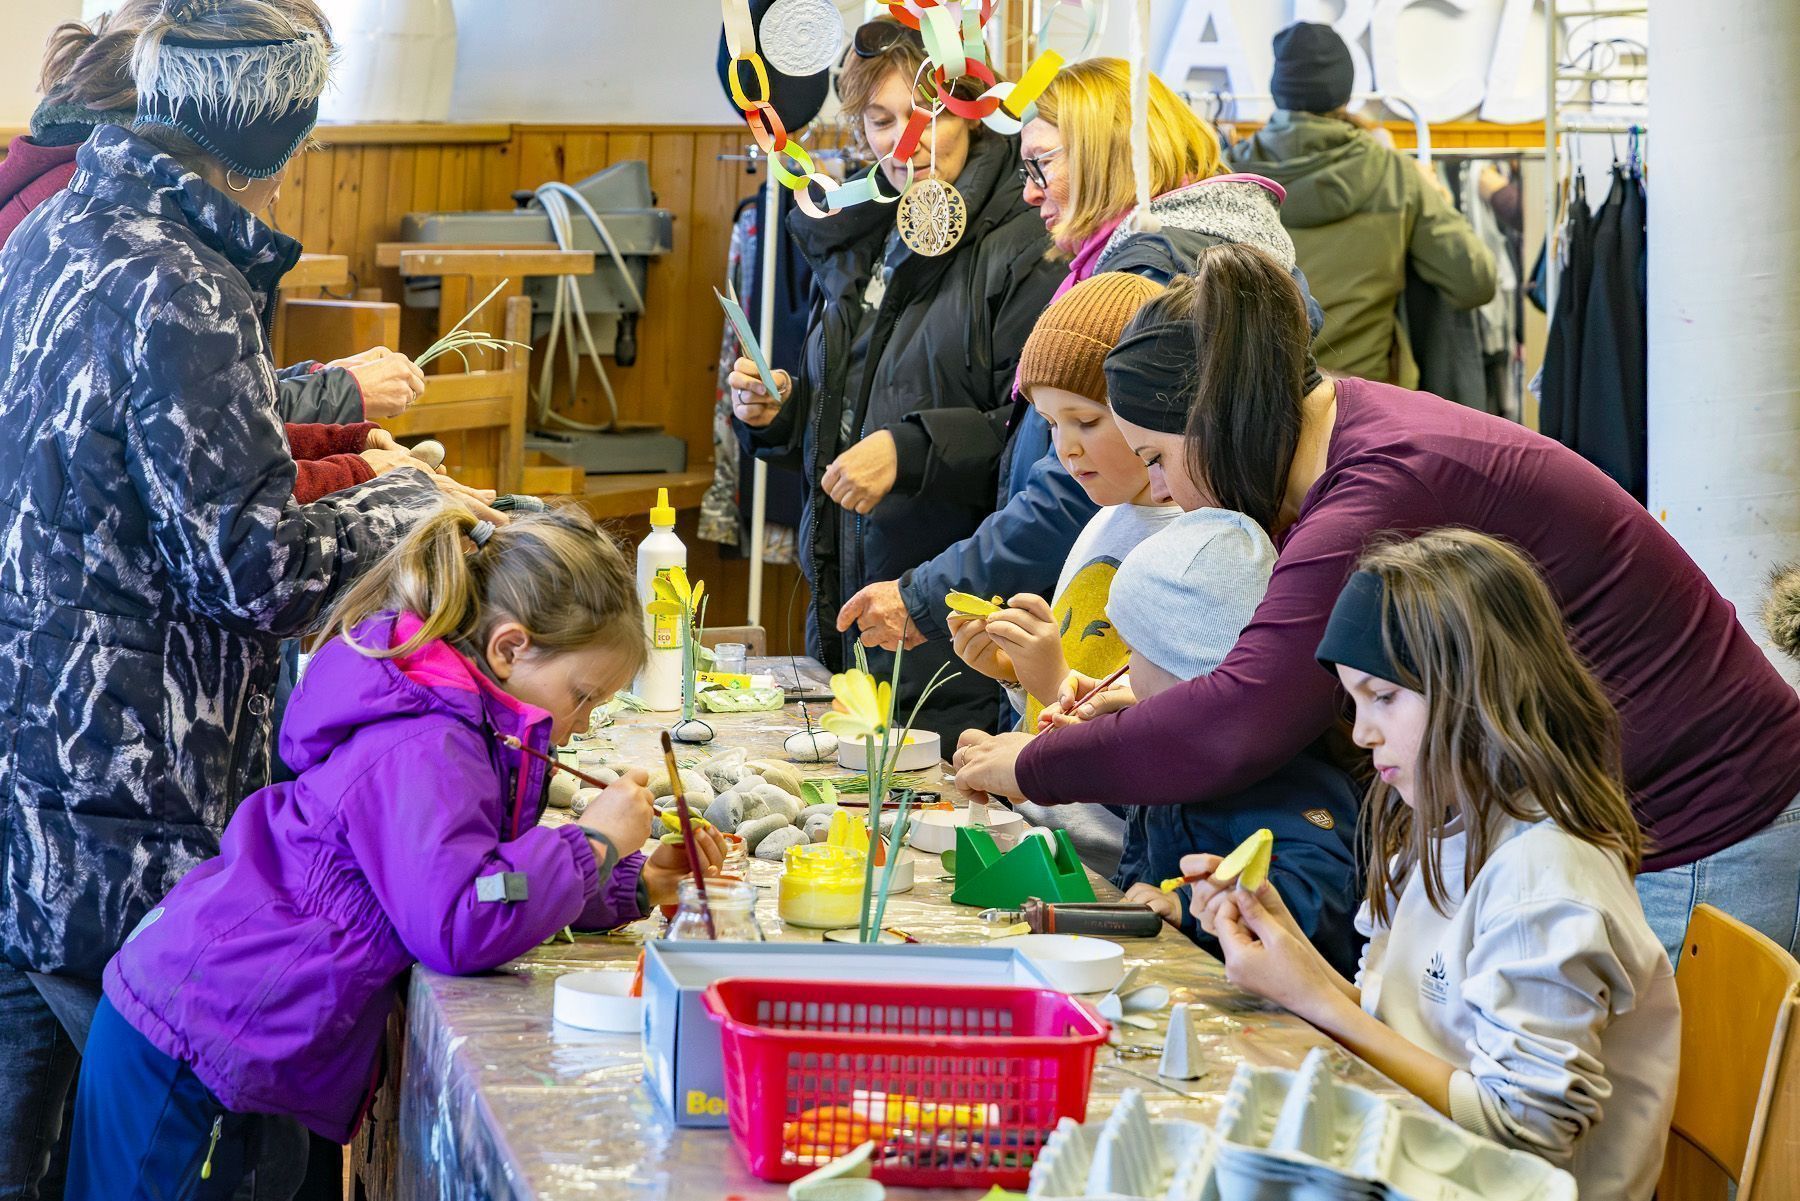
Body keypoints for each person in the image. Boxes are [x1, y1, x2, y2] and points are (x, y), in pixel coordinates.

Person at [953, 242, 1800, 963]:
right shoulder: (1346, 442)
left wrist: (1028, 764)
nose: (1167, 491)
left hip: (1701, 815)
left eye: (1160, 459)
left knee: (1648, 1146)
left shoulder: (1372, 489)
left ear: (1214, 421)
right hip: (1623, 815)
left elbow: (1242, 716)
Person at [0, 1, 494, 1194]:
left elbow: (151, 455)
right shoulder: (182, 280)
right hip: (131, 810)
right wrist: (414, 503)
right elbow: (253, 566)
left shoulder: (59, 228)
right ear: (275, 135)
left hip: (34, 787)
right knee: (193, 1155)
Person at [64, 506, 722, 1199]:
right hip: (197, 1048)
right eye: (582, 695)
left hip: (235, 1038)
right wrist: (589, 842)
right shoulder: (426, 742)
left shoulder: (463, 719)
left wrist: (633, 882)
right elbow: (458, 918)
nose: (582, 721)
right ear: (509, 647)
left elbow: (481, 872)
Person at [1193, 529, 1677, 1198]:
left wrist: (1314, 1000)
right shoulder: (1438, 823)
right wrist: (1290, 955)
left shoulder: (1546, 880)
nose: (1362, 732)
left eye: (1383, 697)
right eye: (1353, 701)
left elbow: (1523, 1133)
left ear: (1473, 686)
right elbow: (1406, 1028)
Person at [830, 57, 1311, 665]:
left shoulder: (1153, 273)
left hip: (1138, 613)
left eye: (1044, 164)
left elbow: (1081, 483)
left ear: (1107, 152)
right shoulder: (1168, 255)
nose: (1029, 189)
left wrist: (926, 596)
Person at [729, 16, 1065, 739]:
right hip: (850, 597)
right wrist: (779, 412)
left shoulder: (1022, 242)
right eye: (881, 121)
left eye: (924, 116)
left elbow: (1032, 433)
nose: (902, 142)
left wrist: (909, 450)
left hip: (953, 615)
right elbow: (847, 404)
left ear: (972, 107)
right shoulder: (859, 232)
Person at [0, 2, 428, 425]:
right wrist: (346, 415)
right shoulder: (119, 220)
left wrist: (323, 386)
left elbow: (171, 401)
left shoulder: (85, 189)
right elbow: (190, 443)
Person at [946, 271, 1179, 874]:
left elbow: (1156, 742)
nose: (1065, 449)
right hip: (1044, 835)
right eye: (1051, 424)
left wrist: (1051, 684)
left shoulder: (1191, 551)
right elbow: (1075, 679)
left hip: (1111, 868)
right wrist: (1016, 675)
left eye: (1086, 421)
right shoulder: (1105, 519)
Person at [1098, 508, 1362, 975]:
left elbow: (1321, 889)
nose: (1125, 671)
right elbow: (1161, 816)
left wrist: (1183, 906)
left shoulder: (1278, 774)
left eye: (1133, 650)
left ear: (1179, 664)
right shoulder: (1190, 753)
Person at [1226, 21, 1496, 387]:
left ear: (1279, 89)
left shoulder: (1226, 178)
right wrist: (1442, 199)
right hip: (1365, 408)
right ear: (1343, 91)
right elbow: (1475, 282)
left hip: (1256, 404)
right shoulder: (1395, 174)